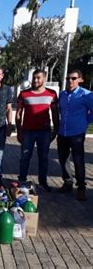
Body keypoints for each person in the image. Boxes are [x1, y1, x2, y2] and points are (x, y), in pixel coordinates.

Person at [16, 69, 59, 192]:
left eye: (38, 78)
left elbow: (55, 113)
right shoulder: (24, 94)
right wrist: (19, 131)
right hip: (27, 132)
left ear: (44, 79)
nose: (35, 80)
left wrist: (55, 130)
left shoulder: (52, 94)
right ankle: (22, 181)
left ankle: (43, 182)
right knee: (25, 157)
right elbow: (18, 114)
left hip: (44, 132)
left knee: (43, 158)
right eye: (34, 78)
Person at [56, 69, 93, 201]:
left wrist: (85, 123)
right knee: (63, 159)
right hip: (63, 133)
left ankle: (81, 187)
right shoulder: (63, 94)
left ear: (80, 80)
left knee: (78, 160)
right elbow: (60, 111)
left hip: (77, 134)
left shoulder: (86, 95)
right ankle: (67, 182)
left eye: (73, 78)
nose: (70, 81)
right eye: (68, 79)